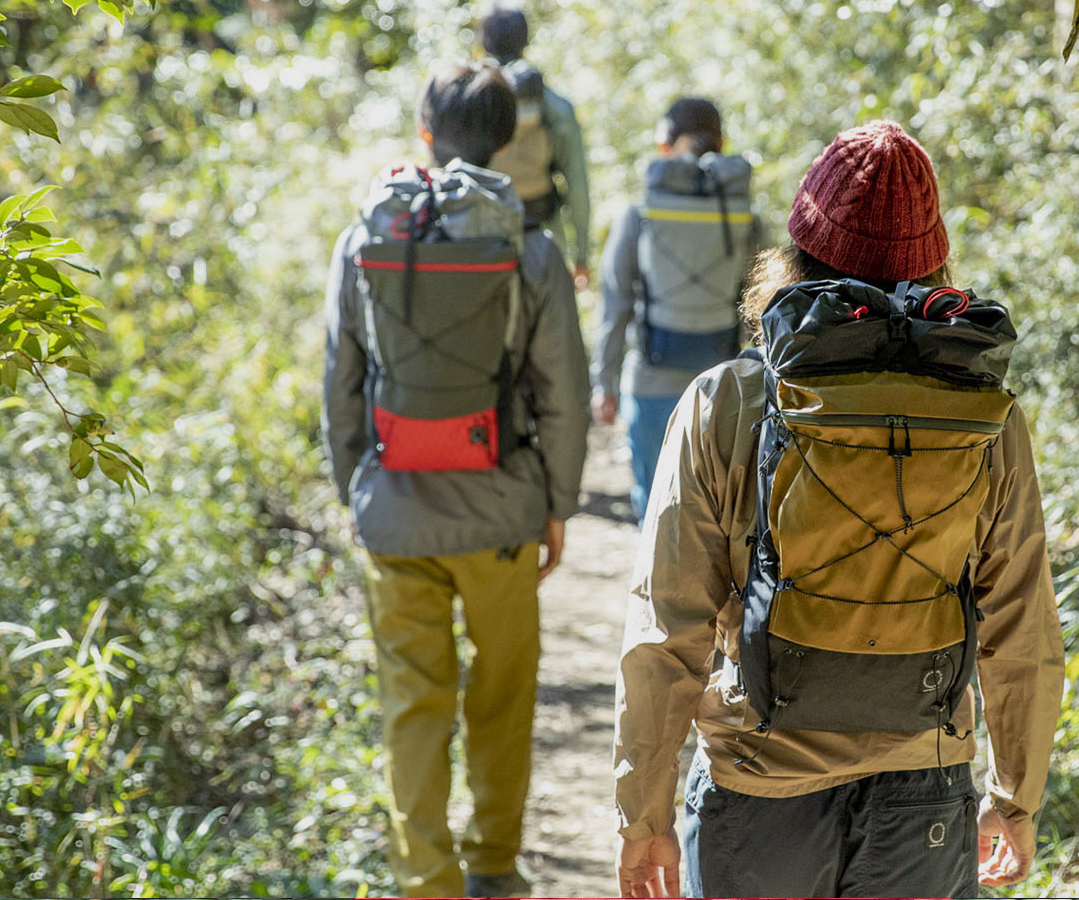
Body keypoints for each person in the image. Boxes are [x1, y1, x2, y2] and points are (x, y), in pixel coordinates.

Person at [612, 121, 1066, 899]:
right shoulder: (984, 415)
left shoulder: (728, 399)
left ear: (796, 252)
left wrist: (641, 814)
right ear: (933, 259)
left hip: (758, 790)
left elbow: (668, 627)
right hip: (923, 790)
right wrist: (1013, 796)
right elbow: (1022, 623)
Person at [322, 61, 590, 899]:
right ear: (510, 142)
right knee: (503, 696)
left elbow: (341, 380)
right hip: (503, 513)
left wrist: (354, 494)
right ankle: (495, 863)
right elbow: (565, 394)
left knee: (413, 705)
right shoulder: (531, 249)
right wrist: (557, 506)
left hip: (396, 514)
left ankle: (426, 881)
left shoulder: (365, 236)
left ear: (423, 132)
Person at [592, 98, 764, 523]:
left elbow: (615, 303)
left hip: (652, 382)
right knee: (722, 515)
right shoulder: (746, 217)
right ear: (721, 144)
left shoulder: (639, 214)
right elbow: (764, 307)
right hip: (726, 387)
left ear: (665, 147)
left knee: (655, 512)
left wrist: (606, 384)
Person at [480, 5, 593, 289]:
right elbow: (577, 186)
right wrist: (581, 255)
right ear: (526, 42)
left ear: (483, 44)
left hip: (480, 241)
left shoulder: (470, 107)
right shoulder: (555, 108)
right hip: (544, 239)